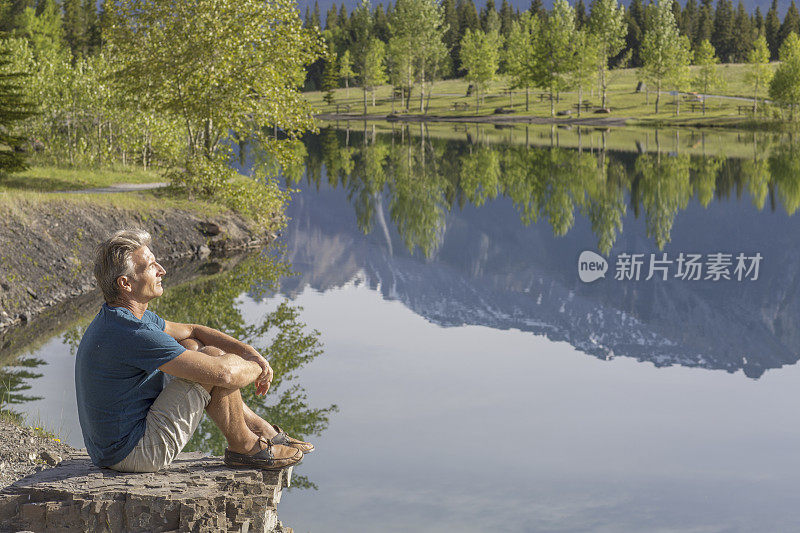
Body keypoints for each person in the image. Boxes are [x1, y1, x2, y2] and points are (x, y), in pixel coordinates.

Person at [75, 228, 313, 473]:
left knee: (192, 347)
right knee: (211, 361)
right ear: (125, 283)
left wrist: (248, 352)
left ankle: (261, 429)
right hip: (132, 453)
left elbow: (192, 330)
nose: (162, 270)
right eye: (150, 266)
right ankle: (245, 447)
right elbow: (225, 375)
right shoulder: (132, 331)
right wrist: (259, 367)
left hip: (112, 447)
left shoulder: (124, 317)